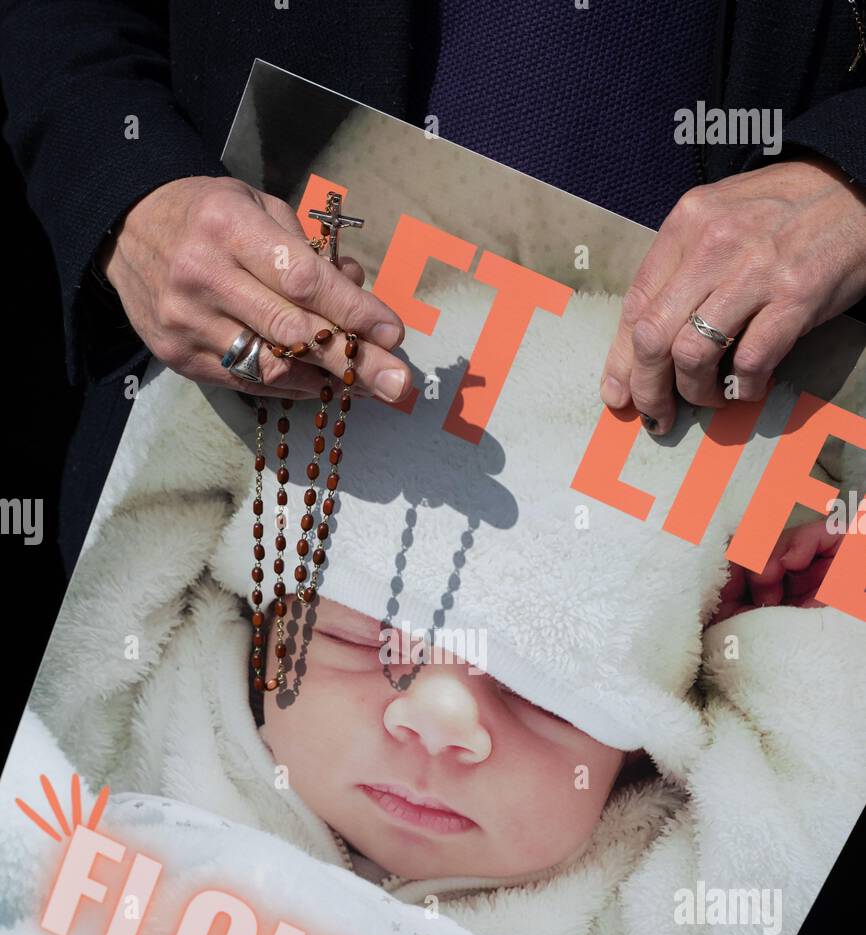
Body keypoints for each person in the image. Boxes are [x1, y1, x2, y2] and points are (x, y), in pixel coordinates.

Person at [1, 0, 865, 569]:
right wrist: (132, 194)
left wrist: (852, 179)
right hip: (235, 404)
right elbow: (67, 24)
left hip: (748, 456)